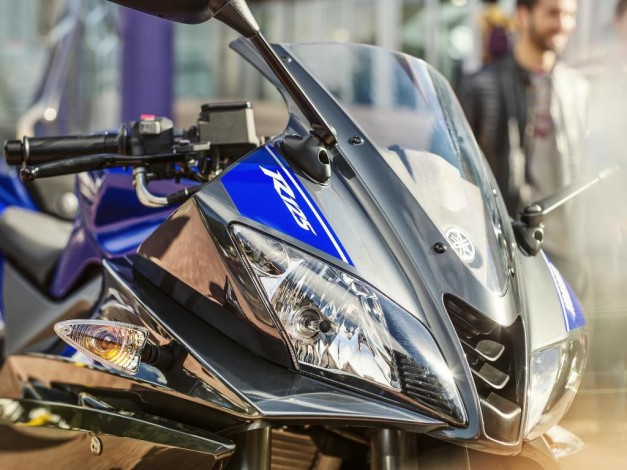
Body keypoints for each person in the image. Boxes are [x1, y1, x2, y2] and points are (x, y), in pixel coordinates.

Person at [458, 0, 587, 290]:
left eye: (570, 15)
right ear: (523, 15)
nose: (564, 24)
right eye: (553, 13)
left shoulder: (578, 89)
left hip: (567, 259)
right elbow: (455, 173)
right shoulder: (481, 87)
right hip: (507, 255)